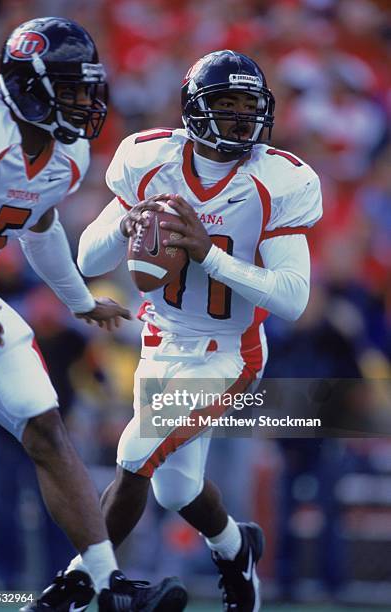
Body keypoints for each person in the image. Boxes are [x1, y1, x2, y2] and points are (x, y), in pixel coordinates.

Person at [50, 49, 322, 611]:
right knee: (175, 488)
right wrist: (124, 222)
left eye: (249, 105)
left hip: (229, 353)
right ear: (195, 110)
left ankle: (79, 586)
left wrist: (209, 256)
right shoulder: (150, 160)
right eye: (226, 104)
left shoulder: (277, 179)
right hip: (159, 340)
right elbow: (88, 258)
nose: (241, 118)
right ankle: (234, 545)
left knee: (135, 450)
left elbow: (294, 300)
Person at [0, 16, 186, 612]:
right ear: (26, 84)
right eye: (70, 87)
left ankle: (103, 586)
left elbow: (38, 227)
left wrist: (78, 300)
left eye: (85, 87)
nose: (83, 101)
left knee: (44, 422)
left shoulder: (64, 154)